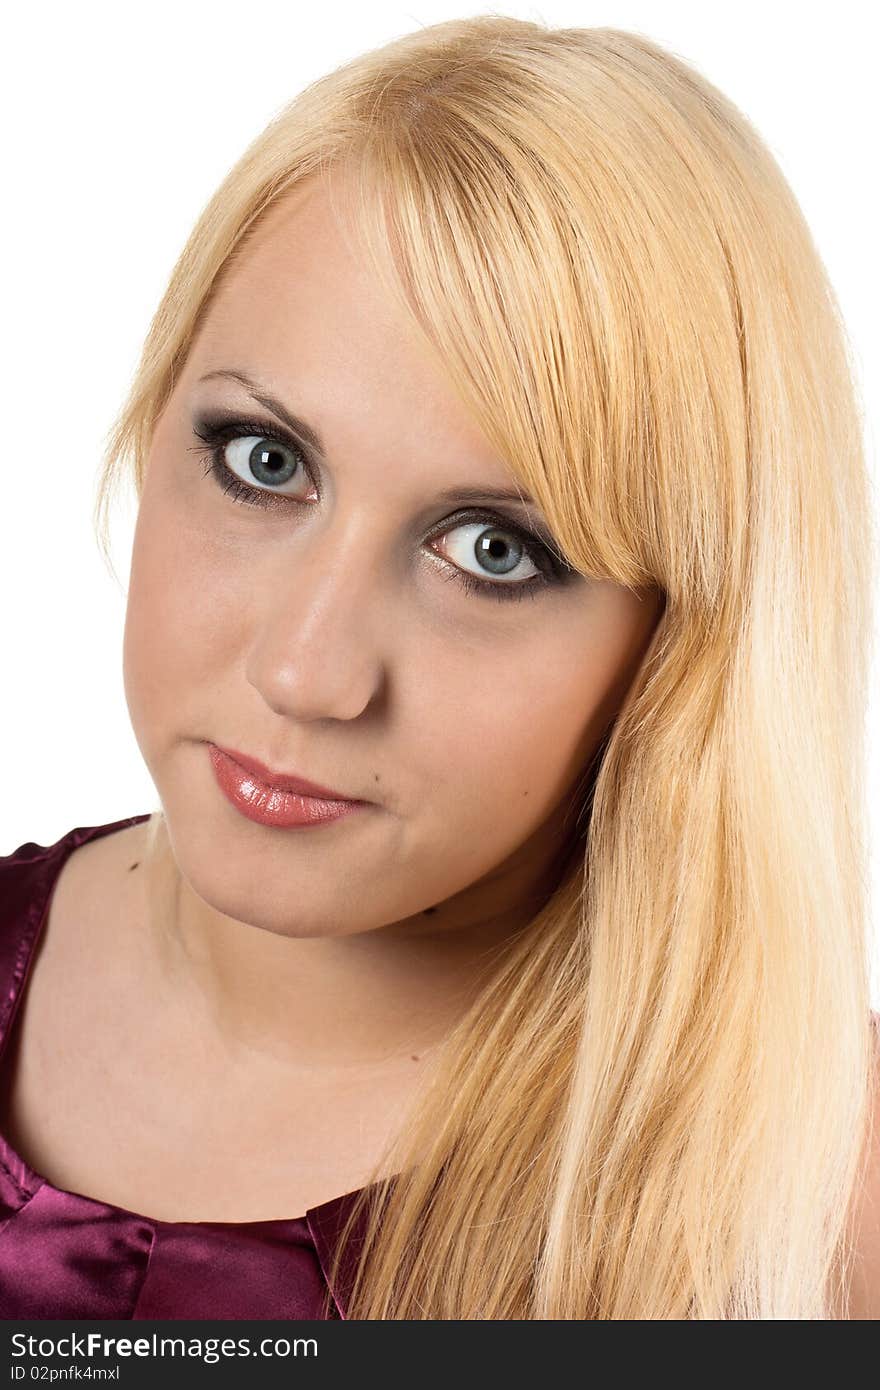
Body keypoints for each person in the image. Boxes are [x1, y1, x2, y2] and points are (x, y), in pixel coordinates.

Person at [0, 13, 877, 1321]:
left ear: (680, 644)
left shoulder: (810, 1191)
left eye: (494, 548)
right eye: (264, 460)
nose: (307, 673)